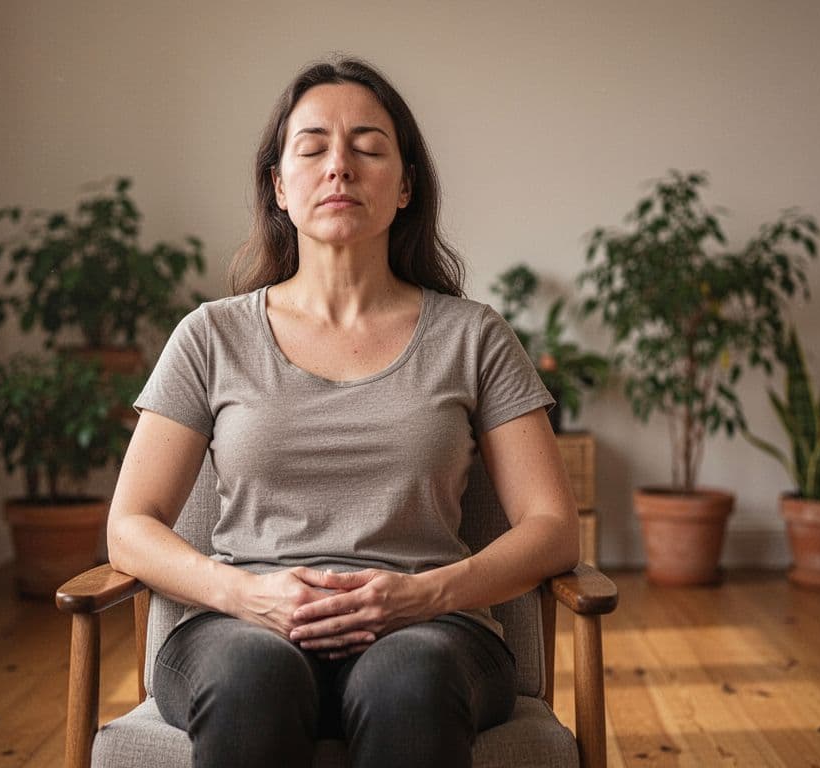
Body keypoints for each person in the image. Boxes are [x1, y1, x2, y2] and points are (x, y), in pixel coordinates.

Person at [105, 56, 580, 768]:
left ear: (405, 185)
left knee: (409, 683)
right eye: (313, 147)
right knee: (252, 679)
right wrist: (246, 595)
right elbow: (129, 525)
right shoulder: (211, 334)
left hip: (434, 631)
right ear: (278, 185)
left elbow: (551, 528)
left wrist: (423, 596)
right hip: (237, 631)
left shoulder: (474, 335)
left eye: (368, 147)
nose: (340, 168)